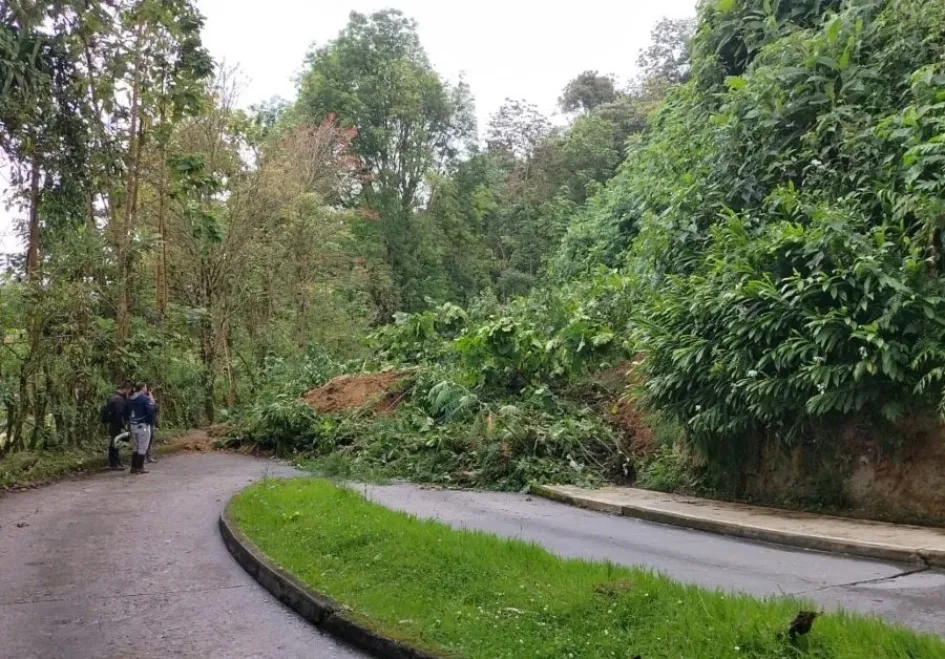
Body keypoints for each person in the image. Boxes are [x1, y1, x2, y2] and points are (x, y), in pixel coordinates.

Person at [127, 382, 157, 475]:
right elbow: (150, 411)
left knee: (136, 446)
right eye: (145, 387)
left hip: (133, 424)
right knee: (143, 447)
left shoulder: (130, 398)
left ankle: (134, 467)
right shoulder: (144, 399)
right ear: (143, 388)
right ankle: (140, 467)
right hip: (143, 425)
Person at [100, 383, 131, 470]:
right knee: (115, 443)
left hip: (115, 424)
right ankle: (114, 463)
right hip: (117, 424)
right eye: (128, 391)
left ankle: (116, 462)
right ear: (124, 389)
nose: (128, 392)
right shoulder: (118, 400)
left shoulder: (117, 398)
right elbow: (119, 414)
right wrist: (123, 425)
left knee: (116, 443)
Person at [145, 386, 160, 464]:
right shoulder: (146, 399)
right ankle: (145, 457)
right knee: (146, 441)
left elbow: (156, 407)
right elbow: (154, 407)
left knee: (150, 440)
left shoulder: (149, 399)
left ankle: (148, 456)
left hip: (151, 423)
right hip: (146, 423)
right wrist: (151, 397)